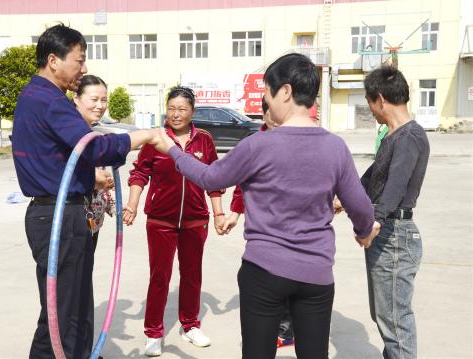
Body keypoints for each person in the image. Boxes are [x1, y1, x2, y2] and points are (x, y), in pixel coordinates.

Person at [154, 53, 380, 359]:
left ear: (285, 91)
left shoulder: (257, 145)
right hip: (316, 274)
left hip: (264, 272)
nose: (265, 99)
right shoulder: (335, 147)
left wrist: (172, 150)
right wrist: (365, 232)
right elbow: (360, 207)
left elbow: (209, 177)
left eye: (267, 91)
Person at [12, 24, 160, 359]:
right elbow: (94, 148)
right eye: (79, 61)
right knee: (60, 319)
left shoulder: (36, 97)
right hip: (59, 217)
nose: (84, 68)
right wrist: (146, 136)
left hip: (62, 213)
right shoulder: (51, 101)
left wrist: (90, 180)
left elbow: (58, 160)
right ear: (54, 60)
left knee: (75, 307)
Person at [123, 86, 224, 357]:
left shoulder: (204, 140)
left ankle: (190, 325)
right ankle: (153, 333)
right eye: (171, 108)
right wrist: (132, 204)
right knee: (160, 276)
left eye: (182, 109)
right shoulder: (156, 139)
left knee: (192, 275)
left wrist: (219, 214)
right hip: (160, 222)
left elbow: (214, 179)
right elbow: (140, 173)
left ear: (192, 111)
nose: (176, 114)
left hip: (195, 221)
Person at [360, 66, 429, 359]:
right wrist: (344, 198)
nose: (372, 111)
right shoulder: (394, 136)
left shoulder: (410, 136)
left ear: (380, 99)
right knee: (385, 317)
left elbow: (396, 185)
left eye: (369, 103)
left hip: (395, 237)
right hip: (388, 235)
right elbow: (372, 176)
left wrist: (374, 220)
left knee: (395, 324)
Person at [223, 97, 295, 349]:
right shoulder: (253, 145)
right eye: (271, 116)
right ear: (264, 115)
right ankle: (275, 329)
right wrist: (234, 213)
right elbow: (240, 183)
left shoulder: (294, 141)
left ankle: (286, 331)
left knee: (289, 277)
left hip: (292, 227)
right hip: (263, 231)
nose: (276, 121)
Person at [72, 74, 116, 249]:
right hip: (73, 217)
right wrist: (93, 177)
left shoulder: (91, 132)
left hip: (91, 219)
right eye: (94, 99)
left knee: (84, 273)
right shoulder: (70, 132)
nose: (100, 106)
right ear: (76, 98)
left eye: (104, 100)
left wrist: (103, 183)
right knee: (71, 274)